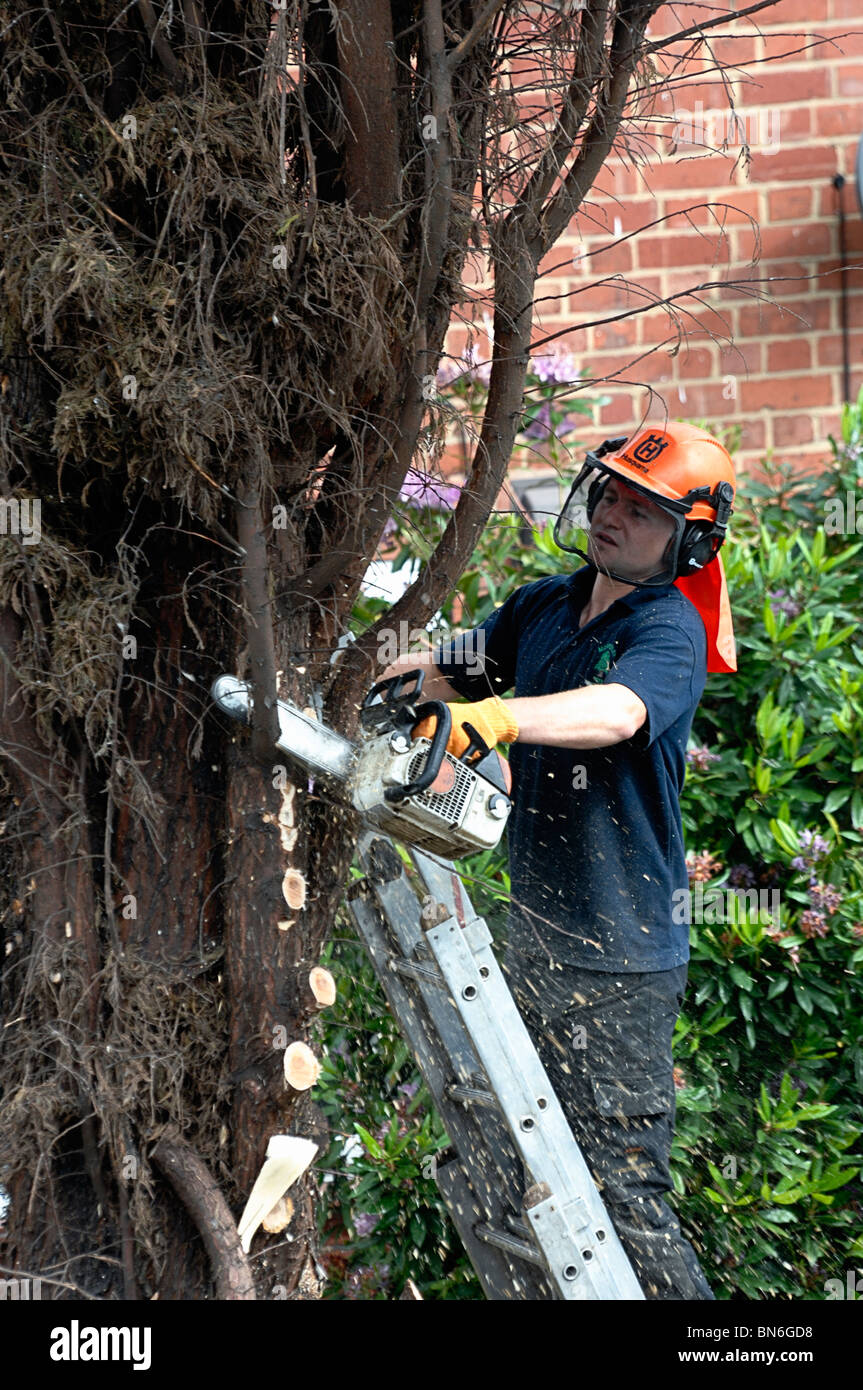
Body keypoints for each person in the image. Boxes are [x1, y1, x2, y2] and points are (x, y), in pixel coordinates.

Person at [380, 421, 737, 1300]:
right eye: (609, 494)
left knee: (622, 1196)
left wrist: (501, 718)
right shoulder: (545, 606)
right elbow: (457, 668)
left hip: (618, 958)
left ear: (688, 538)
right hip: (534, 941)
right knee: (506, 1167)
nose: (613, 514)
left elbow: (615, 712)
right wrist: (385, 682)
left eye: (641, 508)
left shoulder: (668, 634)